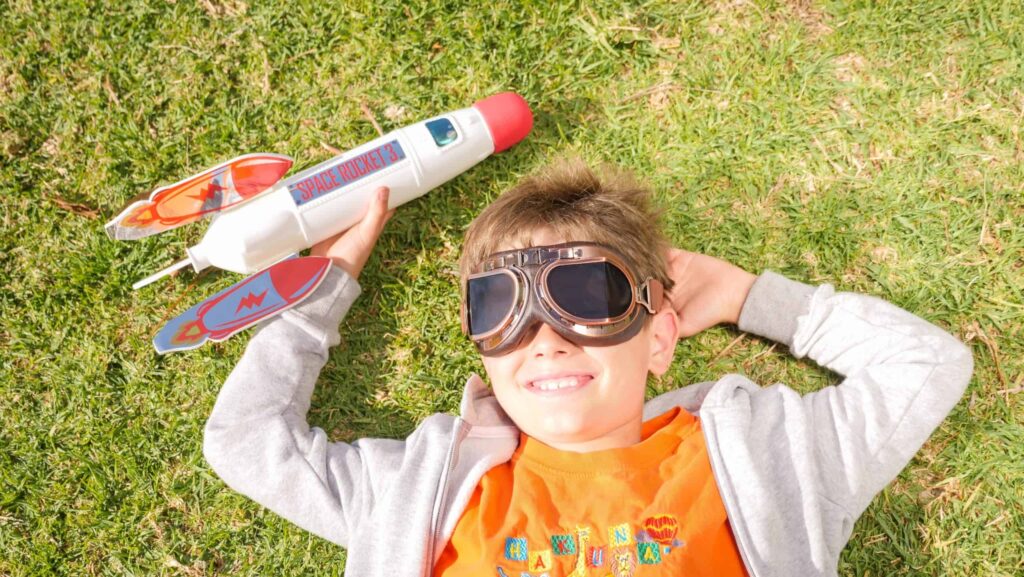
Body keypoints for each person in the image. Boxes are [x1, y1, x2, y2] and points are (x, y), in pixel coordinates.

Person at [203, 161, 974, 577]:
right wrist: (323, 287)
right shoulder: (416, 490)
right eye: (501, 304)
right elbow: (244, 440)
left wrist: (749, 296)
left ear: (660, 335)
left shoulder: (769, 458)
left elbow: (924, 363)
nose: (545, 336)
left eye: (585, 296)